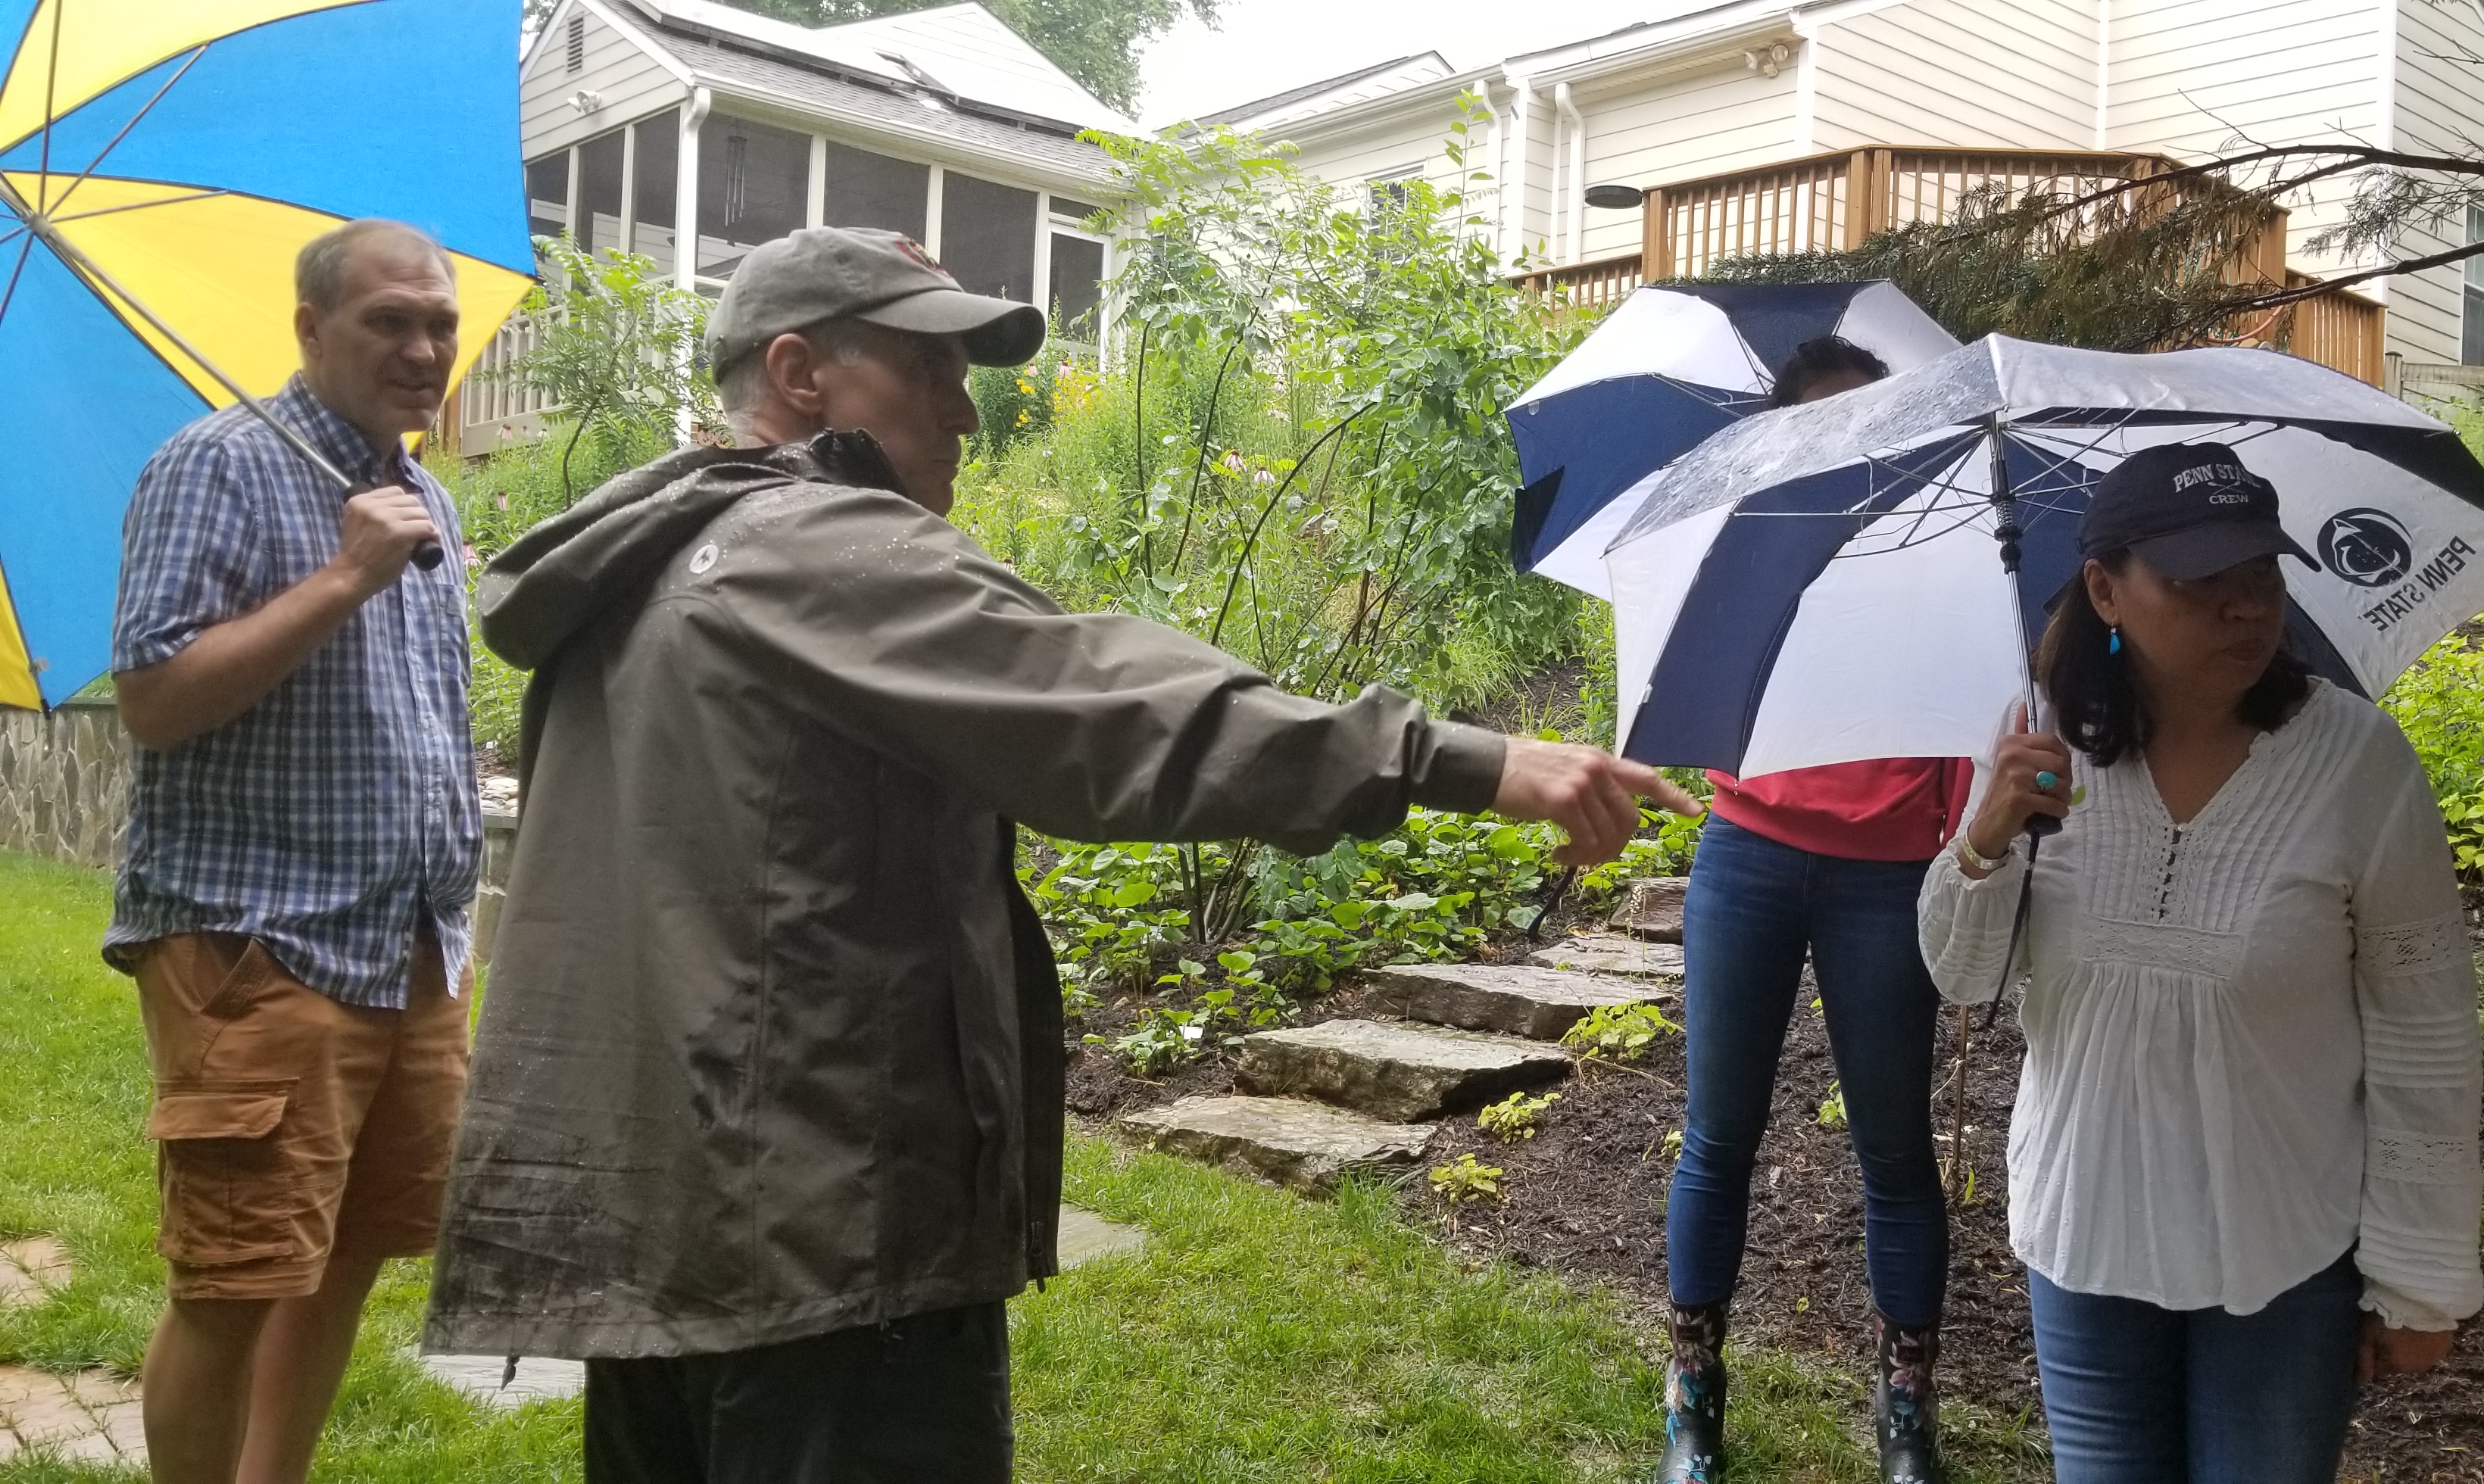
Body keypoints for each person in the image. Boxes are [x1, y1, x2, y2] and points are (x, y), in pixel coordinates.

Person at [418, 225, 1693, 1482]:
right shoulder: (815, 548)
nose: (963, 416)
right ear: (800, 374)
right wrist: (1460, 760)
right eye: (928, 369)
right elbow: (1098, 703)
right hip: (819, 1222)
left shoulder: (650, 562)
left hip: (672, 1213)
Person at [1918, 442, 2481, 1481]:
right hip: (2085, 1245)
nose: (2244, 607)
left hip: (2283, 1258)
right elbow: (1961, 977)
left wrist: (2419, 1273)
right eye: (2199, 581)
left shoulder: (2358, 764)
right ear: (2106, 590)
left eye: (2260, 574)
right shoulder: (2039, 748)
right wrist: (1985, 840)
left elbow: (2426, 1031)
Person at [103, 218, 476, 1484]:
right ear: (312, 328)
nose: (423, 347)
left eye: (439, 321)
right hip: (259, 943)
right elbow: (152, 701)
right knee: (237, 1278)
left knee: (348, 1256)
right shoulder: (212, 467)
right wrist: (342, 578)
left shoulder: (424, 493)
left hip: (407, 946)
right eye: (389, 321)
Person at [1657, 334, 1973, 1484]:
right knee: (1717, 1137)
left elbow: (1985, 706)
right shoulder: (1751, 539)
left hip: (1888, 873)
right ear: (1791, 431)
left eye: (1873, 415)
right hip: (1747, 852)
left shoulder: (1948, 548)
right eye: (1828, 418)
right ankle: (1692, 1392)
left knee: (1894, 1150)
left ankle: (1906, 1410)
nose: (1856, 435)